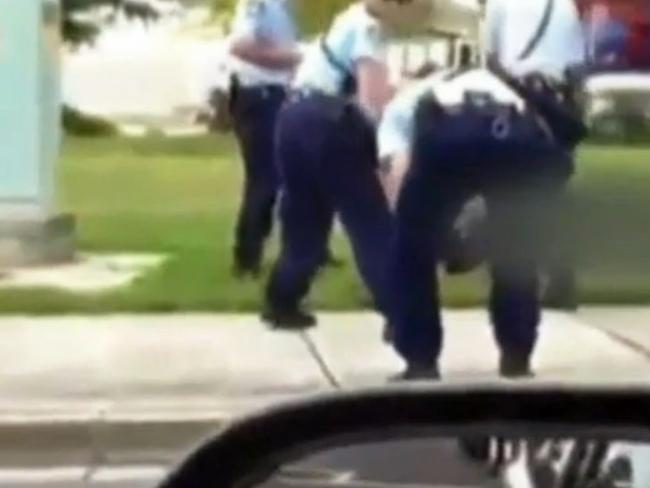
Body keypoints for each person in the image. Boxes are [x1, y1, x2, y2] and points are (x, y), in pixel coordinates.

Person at [379, 0, 587, 380]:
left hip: (450, 129)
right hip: (523, 130)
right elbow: (575, 72)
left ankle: (420, 359)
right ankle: (516, 354)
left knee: (410, 248)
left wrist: (427, 229)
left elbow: (399, 165)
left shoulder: (411, 100)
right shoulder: (565, 10)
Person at [263, 0, 430, 329]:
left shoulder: (349, 19)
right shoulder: (370, 30)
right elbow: (372, 104)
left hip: (294, 118)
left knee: (304, 220)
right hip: (330, 124)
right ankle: (403, 316)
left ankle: (282, 302)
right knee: (371, 223)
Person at [228, 0, 339, 278]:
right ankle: (247, 259)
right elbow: (242, 46)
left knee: (311, 173)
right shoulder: (260, 4)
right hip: (261, 95)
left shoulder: (289, 7)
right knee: (266, 179)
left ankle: (313, 250)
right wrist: (300, 57)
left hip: (286, 94)